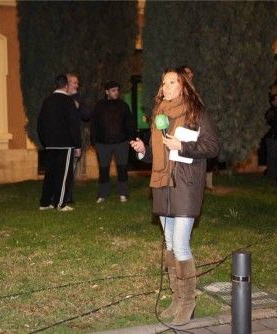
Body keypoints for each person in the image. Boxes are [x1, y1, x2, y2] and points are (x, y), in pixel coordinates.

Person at [130, 67, 220, 326]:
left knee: (180, 244)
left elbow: (213, 146)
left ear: (184, 86)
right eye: (164, 82)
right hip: (162, 183)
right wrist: (141, 151)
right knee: (169, 244)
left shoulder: (196, 114)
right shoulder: (160, 114)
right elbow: (155, 154)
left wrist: (183, 146)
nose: (166, 87)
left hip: (186, 184)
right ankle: (177, 299)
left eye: (172, 82)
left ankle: (189, 302)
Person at [38, 74, 82, 211]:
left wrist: (45, 141)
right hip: (65, 143)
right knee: (64, 174)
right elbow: (73, 125)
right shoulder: (68, 101)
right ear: (66, 85)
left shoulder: (47, 101)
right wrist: (77, 145)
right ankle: (60, 203)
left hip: (50, 144)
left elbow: (40, 124)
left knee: (50, 173)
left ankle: (45, 202)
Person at [92, 80, 134, 203]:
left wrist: (130, 139)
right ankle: (102, 194)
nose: (116, 92)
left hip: (121, 143)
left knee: (122, 168)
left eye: (117, 90)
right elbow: (94, 124)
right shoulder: (99, 106)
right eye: (113, 90)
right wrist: (94, 141)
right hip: (102, 143)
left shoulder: (123, 105)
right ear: (107, 92)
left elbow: (129, 124)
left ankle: (123, 193)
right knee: (103, 169)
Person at [65, 73, 90, 203]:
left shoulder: (78, 99)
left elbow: (87, 115)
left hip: (73, 139)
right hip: (60, 139)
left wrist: (78, 105)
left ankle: (68, 197)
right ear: (67, 83)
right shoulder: (59, 97)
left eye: (77, 83)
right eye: (75, 82)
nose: (77, 85)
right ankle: (57, 195)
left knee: (71, 169)